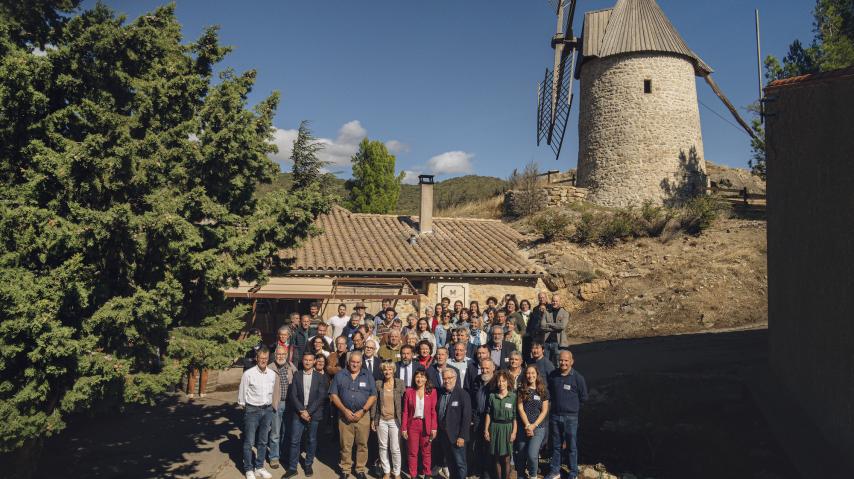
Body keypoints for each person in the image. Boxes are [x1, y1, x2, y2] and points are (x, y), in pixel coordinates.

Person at [329, 351, 377, 479]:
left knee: (362, 444)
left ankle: (360, 469)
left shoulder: (367, 375)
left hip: (363, 416)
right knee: (346, 444)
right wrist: (344, 410)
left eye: (357, 362)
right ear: (348, 362)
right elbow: (333, 395)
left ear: (361, 363)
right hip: (345, 416)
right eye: (352, 362)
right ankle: (345, 469)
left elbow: (373, 395)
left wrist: (363, 410)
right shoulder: (340, 375)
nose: (354, 364)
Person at [283, 351, 329, 478]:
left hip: (313, 413)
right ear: (302, 361)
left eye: (310, 360)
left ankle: (308, 464)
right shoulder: (297, 375)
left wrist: (308, 412)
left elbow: (321, 397)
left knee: (311, 439)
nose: (307, 362)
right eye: (305, 360)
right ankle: (292, 468)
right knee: (294, 440)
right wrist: (301, 411)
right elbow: (293, 395)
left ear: (314, 361)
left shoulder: (320, 377)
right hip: (299, 412)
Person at [546, 350, 588, 479]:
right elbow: (550, 393)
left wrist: (572, 409)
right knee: (556, 445)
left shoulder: (578, 378)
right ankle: (555, 471)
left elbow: (584, 397)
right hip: (555, 416)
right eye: (561, 360)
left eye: (566, 360)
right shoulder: (553, 375)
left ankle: (573, 472)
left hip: (571, 418)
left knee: (571, 446)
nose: (563, 363)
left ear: (571, 361)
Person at [237, 346, 276, 479]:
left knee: (263, 441)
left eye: (266, 358)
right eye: (261, 358)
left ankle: (259, 467)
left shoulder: (271, 374)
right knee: (249, 441)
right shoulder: (248, 374)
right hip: (252, 410)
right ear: (256, 358)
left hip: (267, 410)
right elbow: (242, 396)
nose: (263, 360)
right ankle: (248, 469)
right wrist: (247, 409)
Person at [436, 367, 472, 479]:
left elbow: (467, 418)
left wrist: (462, 436)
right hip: (444, 435)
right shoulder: (441, 393)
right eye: (444, 378)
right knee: (450, 462)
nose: (447, 381)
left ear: (455, 378)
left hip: (457, 436)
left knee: (460, 463)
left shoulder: (462, 394)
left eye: (449, 378)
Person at [515, 365, 550, 479]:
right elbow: (520, 408)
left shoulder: (543, 390)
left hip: (538, 428)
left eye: (532, 373)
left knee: (532, 455)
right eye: (528, 373)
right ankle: (521, 475)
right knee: (520, 454)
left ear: (537, 374)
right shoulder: (521, 390)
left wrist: (533, 426)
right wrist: (527, 425)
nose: (530, 375)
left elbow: (544, 411)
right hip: (523, 427)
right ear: (525, 375)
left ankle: (533, 475)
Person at [401, 370, 437, 479]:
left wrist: (434, 428)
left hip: (426, 424)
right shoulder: (409, 392)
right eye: (417, 377)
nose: (419, 379)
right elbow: (405, 411)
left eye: (422, 377)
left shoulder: (432, 392)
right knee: (413, 452)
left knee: (426, 452)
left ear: (426, 379)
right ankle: (413, 475)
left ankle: (427, 473)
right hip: (413, 425)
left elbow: (433, 411)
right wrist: (404, 428)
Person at [372, 362, 405, 479]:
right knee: (383, 446)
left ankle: (397, 472)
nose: (387, 372)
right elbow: (375, 403)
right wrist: (373, 420)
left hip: (395, 420)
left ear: (394, 370)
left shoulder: (400, 383)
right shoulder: (378, 384)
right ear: (382, 371)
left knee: (395, 448)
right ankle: (386, 471)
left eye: (390, 369)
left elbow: (405, 403)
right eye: (385, 370)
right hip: (382, 420)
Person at [484, 370, 518, 479]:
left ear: (508, 382)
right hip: (495, 428)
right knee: (497, 458)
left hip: (508, 428)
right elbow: (488, 414)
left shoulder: (513, 397)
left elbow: (515, 417)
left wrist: (514, 432)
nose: (501, 383)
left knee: (507, 458)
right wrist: (486, 430)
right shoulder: (492, 396)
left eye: (503, 381)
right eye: (499, 381)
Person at [268, 345, 297, 469]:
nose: (280, 356)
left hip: (289, 404)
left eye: (283, 354)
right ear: (275, 356)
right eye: (278, 354)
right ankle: (274, 458)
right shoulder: (270, 368)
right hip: (276, 403)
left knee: (287, 431)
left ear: (286, 355)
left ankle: (284, 455)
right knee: (275, 433)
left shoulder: (291, 367)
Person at [469, 358, 495, 479]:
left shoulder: (496, 381)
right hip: (478, 417)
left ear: (493, 368)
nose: (484, 370)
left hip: (491, 419)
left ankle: (488, 472)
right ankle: (479, 469)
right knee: (478, 445)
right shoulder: (477, 380)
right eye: (482, 368)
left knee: (489, 446)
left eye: (487, 368)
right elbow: (473, 400)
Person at [541, 294, 570, 364]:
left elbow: (562, 326)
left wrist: (550, 324)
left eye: (556, 301)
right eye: (553, 301)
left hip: (558, 342)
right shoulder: (547, 312)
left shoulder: (565, 313)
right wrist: (555, 327)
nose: (555, 303)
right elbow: (542, 326)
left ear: (560, 302)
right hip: (547, 342)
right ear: (551, 301)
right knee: (546, 363)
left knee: (558, 363)